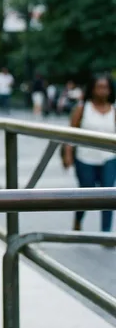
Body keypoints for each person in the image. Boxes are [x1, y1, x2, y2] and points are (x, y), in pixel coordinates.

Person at [63, 75, 115, 233]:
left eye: (105, 87)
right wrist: (68, 153)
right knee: (86, 193)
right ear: (92, 89)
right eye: (99, 87)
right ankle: (78, 218)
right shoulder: (83, 107)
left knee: (108, 194)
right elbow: (70, 133)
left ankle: (105, 232)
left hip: (109, 158)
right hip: (85, 158)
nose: (102, 91)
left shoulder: (113, 110)